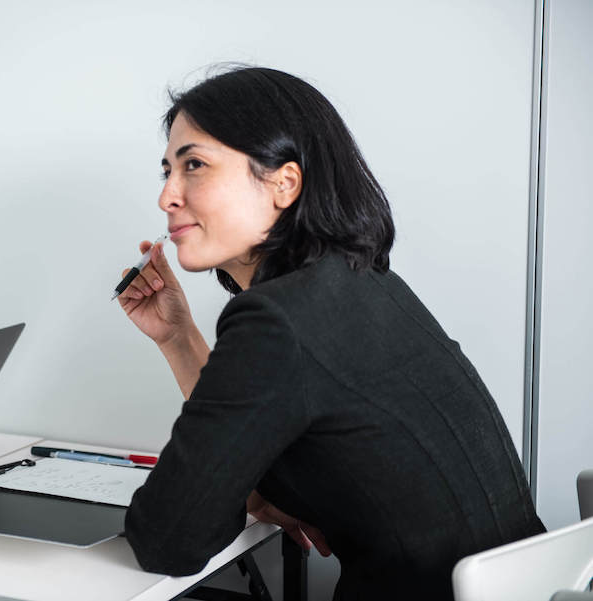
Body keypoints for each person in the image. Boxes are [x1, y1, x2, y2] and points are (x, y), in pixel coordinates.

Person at [118, 66, 544, 601]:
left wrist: (238, 487)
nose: (167, 197)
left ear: (284, 183)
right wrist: (177, 338)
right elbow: (253, 437)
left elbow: (169, 539)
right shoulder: (361, 281)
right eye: (166, 171)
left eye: (195, 166)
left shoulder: (275, 320)